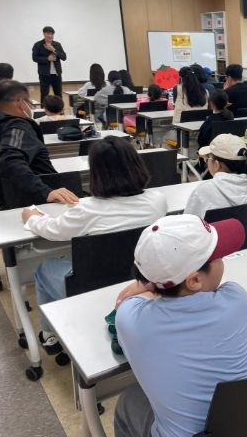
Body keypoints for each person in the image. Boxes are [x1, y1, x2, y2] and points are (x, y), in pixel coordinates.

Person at [113, 214, 247, 437]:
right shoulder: (237, 299)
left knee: (127, 400)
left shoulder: (131, 321)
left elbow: (128, 301)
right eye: (218, 256)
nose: (223, 259)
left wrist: (153, 285)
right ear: (194, 280)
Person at [21, 136, 167, 355]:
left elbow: (51, 230)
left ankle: (49, 335)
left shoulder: (87, 209)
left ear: (96, 173)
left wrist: (31, 217)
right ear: (137, 164)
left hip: (89, 289)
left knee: (44, 269)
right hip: (142, 284)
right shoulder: (158, 200)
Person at [0, 79, 78, 209]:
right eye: (29, 102)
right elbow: (9, 161)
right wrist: (45, 192)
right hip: (43, 203)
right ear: (21, 102)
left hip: (13, 202)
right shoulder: (17, 126)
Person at [184, 134, 247, 217]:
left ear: (216, 164)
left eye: (207, 158)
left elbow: (188, 221)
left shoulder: (203, 191)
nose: (206, 161)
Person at [32, 26, 66, 101]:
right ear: (44, 34)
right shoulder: (38, 45)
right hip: (44, 74)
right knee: (44, 95)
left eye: (52, 34)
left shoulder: (57, 45)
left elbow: (64, 57)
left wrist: (54, 50)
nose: (50, 36)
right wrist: (47, 59)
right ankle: (43, 108)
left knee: (58, 95)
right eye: (48, 33)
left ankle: (59, 109)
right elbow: (34, 58)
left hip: (57, 74)